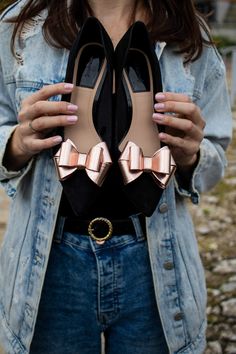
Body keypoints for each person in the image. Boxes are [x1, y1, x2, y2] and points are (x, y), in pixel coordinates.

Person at [0, 0, 232, 353]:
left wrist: (192, 156)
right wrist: (16, 141)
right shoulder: (21, 26)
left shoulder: (188, 35)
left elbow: (215, 158)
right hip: (51, 263)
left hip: (153, 262)